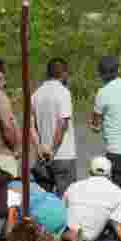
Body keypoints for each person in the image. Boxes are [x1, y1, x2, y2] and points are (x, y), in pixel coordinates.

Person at [89, 55, 121, 224]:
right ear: (118, 70)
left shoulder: (103, 92)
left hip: (116, 148)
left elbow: (95, 124)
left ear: (100, 74)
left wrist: (96, 126)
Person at [62, 156, 121, 241]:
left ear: (90, 171)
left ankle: (69, 236)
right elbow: (116, 224)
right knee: (107, 230)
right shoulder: (117, 192)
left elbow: (63, 209)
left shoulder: (74, 186)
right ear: (109, 174)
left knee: (68, 224)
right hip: (88, 239)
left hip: (68, 228)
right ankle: (76, 239)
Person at [31, 58, 77, 196]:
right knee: (67, 200)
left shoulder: (36, 94)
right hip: (63, 156)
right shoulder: (63, 93)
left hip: (41, 157)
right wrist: (53, 149)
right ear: (64, 73)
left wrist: (39, 148)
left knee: (43, 202)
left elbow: (30, 126)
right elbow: (62, 123)